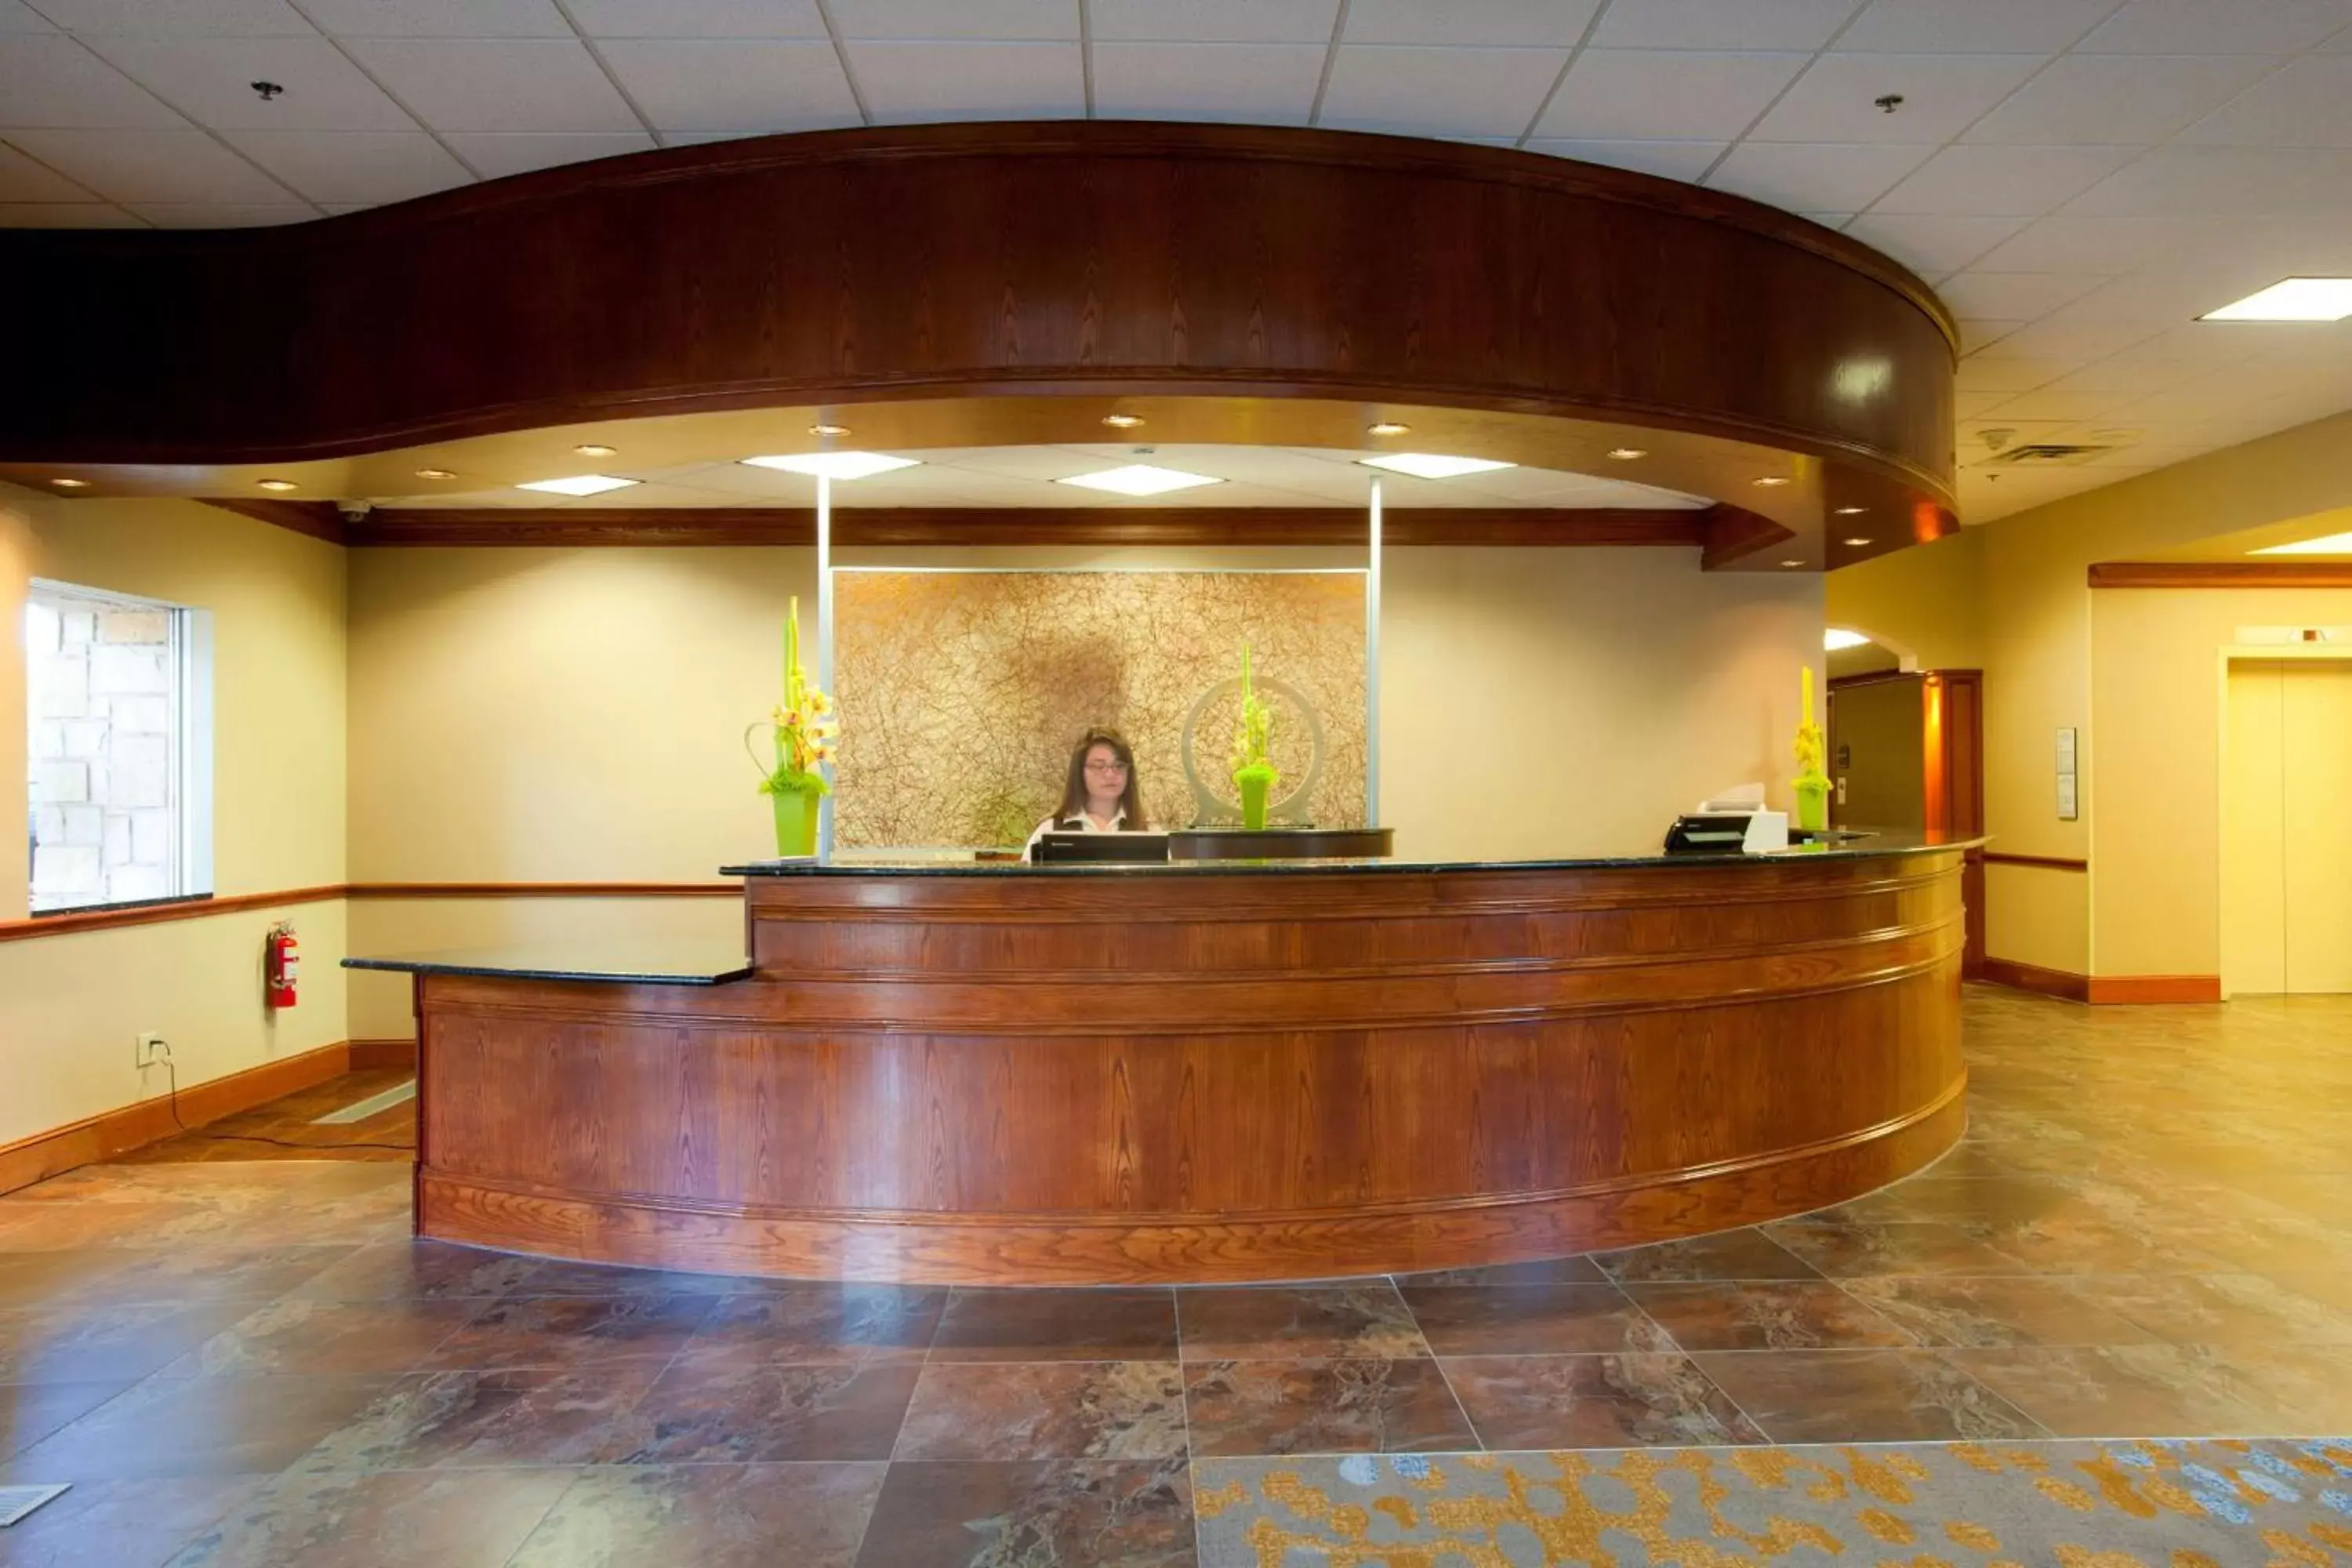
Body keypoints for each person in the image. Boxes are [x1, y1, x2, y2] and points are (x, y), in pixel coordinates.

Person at [1024, 728, 1149, 860]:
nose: (1110, 774)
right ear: (1080, 772)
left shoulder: (1148, 832)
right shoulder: (1049, 831)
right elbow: (1022, 880)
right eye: (1099, 766)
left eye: (1119, 766)